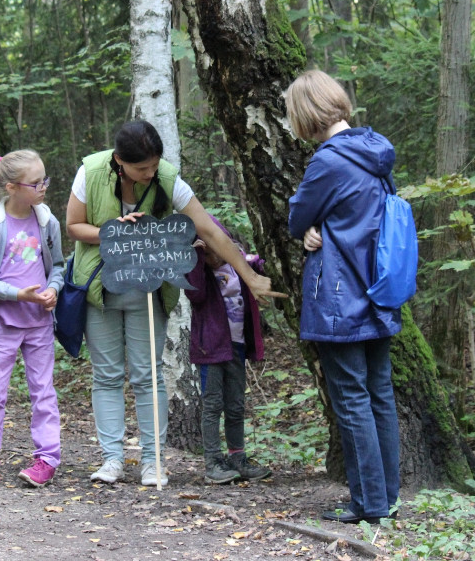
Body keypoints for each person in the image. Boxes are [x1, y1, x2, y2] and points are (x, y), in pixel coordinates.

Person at [66, 120, 284, 487]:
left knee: (148, 375)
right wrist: (114, 228)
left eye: (154, 165)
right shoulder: (90, 172)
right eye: (141, 169)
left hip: (148, 292)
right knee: (106, 375)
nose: (150, 174)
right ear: (119, 161)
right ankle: (112, 460)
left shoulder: (167, 178)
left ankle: (153, 462)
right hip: (99, 289)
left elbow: (210, 230)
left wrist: (249, 276)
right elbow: (73, 226)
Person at [284, 70, 400, 524]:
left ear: (306, 113)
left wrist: (312, 228)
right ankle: (386, 497)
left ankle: (369, 503)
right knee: (379, 393)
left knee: (352, 397)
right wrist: (323, 226)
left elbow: (297, 218)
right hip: (378, 290)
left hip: (339, 296)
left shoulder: (328, 161)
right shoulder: (376, 150)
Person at [0, 150, 64, 488]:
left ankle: (47, 458)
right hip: (1, 324)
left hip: (39, 323)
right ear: (12, 187)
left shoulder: (46, 221)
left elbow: (59, 268)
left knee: (43, 391)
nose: (43, 188)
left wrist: (52, 289)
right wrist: (17, 294)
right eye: (35, 183)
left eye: (44, 180)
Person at [185, 216, 272, 485]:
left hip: (236, 347)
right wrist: (197, 256)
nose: (213, 254)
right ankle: (212, 461)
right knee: (212, 406)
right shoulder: (202, 275)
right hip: (210, 348)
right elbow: (195, 294)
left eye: (215, 247)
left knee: (235, 404)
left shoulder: (238, 268)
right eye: (205, 249)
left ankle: (237, 457)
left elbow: (258, 265)